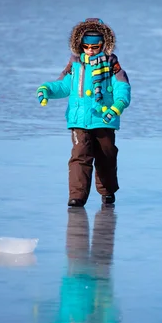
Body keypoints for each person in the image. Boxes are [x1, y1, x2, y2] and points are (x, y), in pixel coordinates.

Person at [36, 18, 131, 207]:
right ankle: (77, 197)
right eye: (86, 46)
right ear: (80, 44)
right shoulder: (75, 64)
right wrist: (46, 89)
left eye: (95, 46)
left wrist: (118, 105)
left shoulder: (112, 65)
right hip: (78, 119)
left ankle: (107, 191)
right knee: (80, 154)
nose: (90, 50)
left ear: (103, 44)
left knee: (106, 155)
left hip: (104, 119)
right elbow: (64, 85)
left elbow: (123, 87)